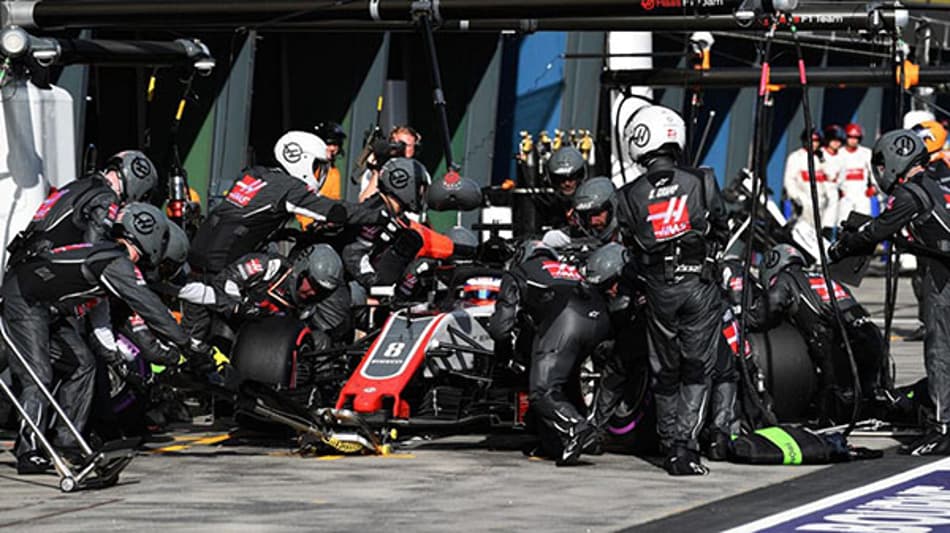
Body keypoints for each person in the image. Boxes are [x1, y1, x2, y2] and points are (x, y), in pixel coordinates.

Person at [1, 203, 196, 473]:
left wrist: (121, 361)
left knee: (83, 364)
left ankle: (68, 444)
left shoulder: (109, 259)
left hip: (47, 310)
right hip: (25, 299)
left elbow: (101, 322)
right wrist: (186, 343)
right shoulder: (115, 262)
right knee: (38, 375)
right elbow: (148, 305)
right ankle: (28, 451)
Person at [616, 103, 729, 475]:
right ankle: (685, 446)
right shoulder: (702, 179)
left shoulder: (627, 195)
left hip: (658, 288)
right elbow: (722, 226)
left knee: (664, 368)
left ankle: (668, 445)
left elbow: (629, 244)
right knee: (697, 367)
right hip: (699, 283)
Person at [830, 129, 950, 454]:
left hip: (943, 277)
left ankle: (942, 428)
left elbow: (877, 229)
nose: (881, 171)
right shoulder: (934, 184)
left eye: (882, 165)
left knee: (939, 351)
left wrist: (844, 246)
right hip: (941, 267)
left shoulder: (909, 193)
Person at [488, 241, 610, 466]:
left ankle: (577, 427)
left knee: (542, 390)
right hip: (599, 319)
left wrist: (504, 356)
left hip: (566, 321)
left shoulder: (519, 272)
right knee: (565, 384)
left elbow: (500, 328)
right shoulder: (567, 270)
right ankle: (568, 440)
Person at [188, 131, 371, 275]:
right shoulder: (289, 187)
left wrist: (282, 233)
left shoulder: (255, 174)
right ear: (302, 159)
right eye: (317, 165)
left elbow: (248, 219)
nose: (319, 172)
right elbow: (333, 211)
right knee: (286, 278)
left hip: (199, 253)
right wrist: (379, 213)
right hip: (224, 266)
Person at [750, 244, 884, 424]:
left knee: (832, 403)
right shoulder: (824, 277)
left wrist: (745, 318)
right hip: (871, 335)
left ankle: (830, 413)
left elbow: (769, 308)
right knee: (870, 395)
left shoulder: (786, 279)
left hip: (839, 343)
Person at [6, 150, 159, 269]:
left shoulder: (82, 184)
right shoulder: (107, 197)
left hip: (22, 260)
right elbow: (95, 249)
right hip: (42, 271)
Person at [180, 244, 350, 349]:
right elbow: (224, 281)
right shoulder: (269, 266)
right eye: (312, 284)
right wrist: (239, 307)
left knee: (320, 341)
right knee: (204, 293)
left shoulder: (310, 308)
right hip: (228, 322)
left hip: (262, 345)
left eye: (322, 291)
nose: (313, 293)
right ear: (302, 269)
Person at [342, 158, 471, 292]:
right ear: (403, 183)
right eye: (420, 189)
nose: (422, 194)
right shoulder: (376, 215)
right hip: (348, 286)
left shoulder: (396, 216)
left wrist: (465, 250)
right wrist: (373, 282)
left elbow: (427, 238)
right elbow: (353, 253)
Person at [542, 176, 620, 250]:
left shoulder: (626, 232)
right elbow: (552, 239)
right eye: (587, 215)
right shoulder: (582, 232)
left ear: (612, 208)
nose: (593, 221)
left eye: (597, 214)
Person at [359, 125, 422, 202]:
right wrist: (377, 171)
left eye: (406, 145)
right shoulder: (376, 170)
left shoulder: (419, 171)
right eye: (396, 143)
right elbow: (363, 201)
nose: (401, 148)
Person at [835, 123, 877, 223]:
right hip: (845, 194)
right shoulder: (839, 153)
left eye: (856, 138)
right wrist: (837, 190)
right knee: (843, 221)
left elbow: (873, 172)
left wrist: (874, 187)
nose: (853, 140)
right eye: (850, 137)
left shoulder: (866, 153)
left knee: (863, 222)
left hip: (862, 193)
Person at [314, 121, 347, 200]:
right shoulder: (311, 166)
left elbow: (334, 199)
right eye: (328, 144)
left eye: (335, 144)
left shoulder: (334, 172)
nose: (332, 148)